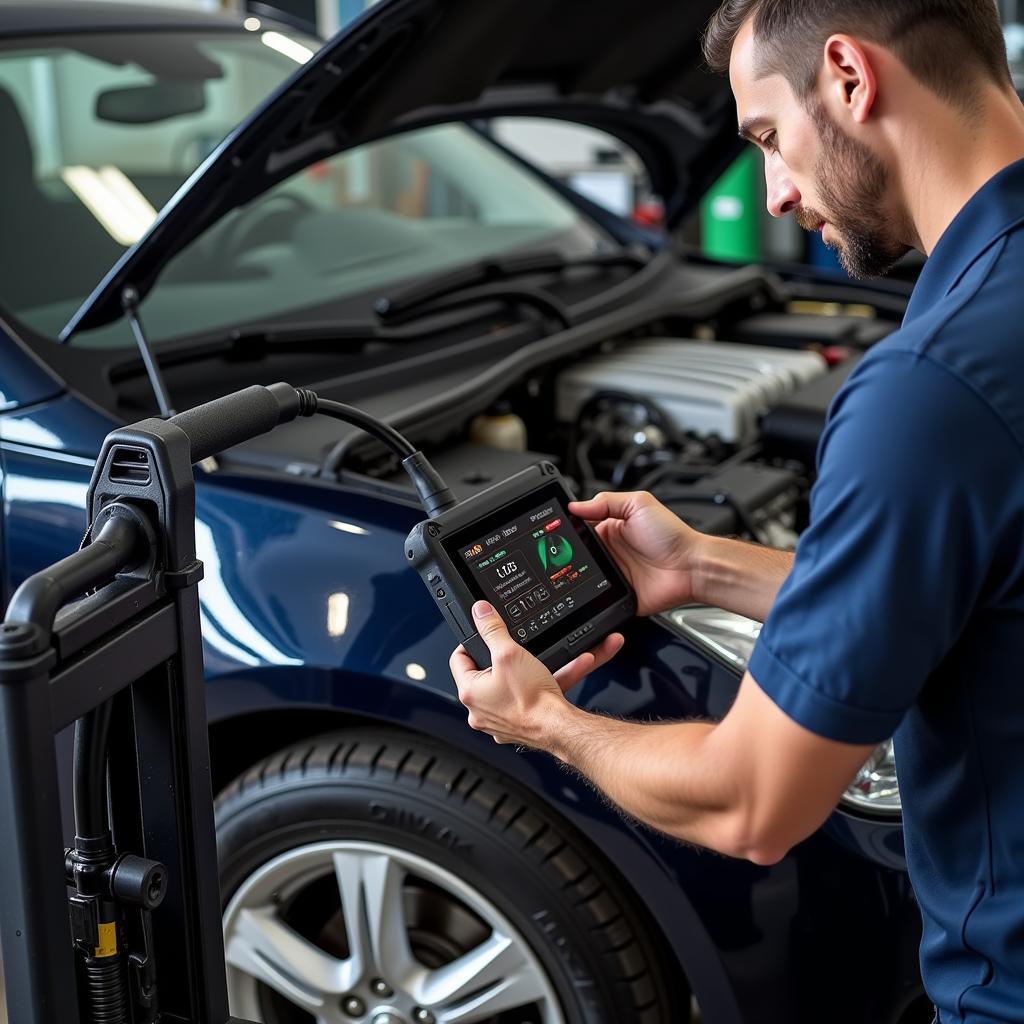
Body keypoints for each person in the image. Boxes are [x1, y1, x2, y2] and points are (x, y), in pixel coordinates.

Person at [449, 2, 1024, 1021]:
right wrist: (707, 568)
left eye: (766, 136)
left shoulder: (930, 389)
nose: (775, 190)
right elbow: (980, 584)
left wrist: (548, 724)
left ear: (847, 75)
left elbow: (752, 801)